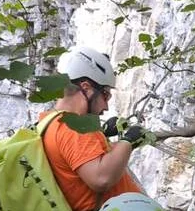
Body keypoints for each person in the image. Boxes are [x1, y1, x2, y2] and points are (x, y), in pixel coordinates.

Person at [39, 46, 149, 211]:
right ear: (86, 88)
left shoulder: (51, 122)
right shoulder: (73, 126)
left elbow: (74, 159)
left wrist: (102, 134)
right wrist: (128, 141)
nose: (106, 105)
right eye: (105, 94)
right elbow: (101, 178)